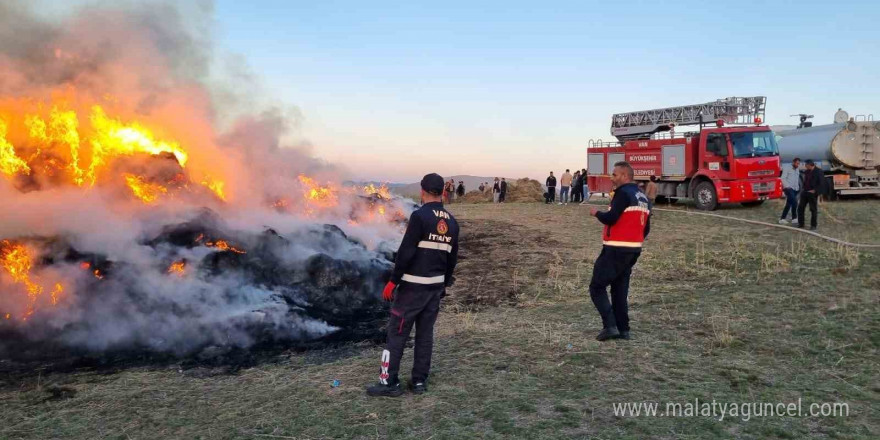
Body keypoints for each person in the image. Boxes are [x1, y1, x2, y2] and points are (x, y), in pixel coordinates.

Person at [367, 173, 460, 397]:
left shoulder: (419, 217)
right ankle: (419, 382)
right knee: (425, 335)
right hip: (434, 289)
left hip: (412, 289)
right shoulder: (452, 222)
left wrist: (392, 281)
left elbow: (406, 252)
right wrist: (443, 285)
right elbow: (452, 259)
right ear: (444, 192)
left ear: (423, 191)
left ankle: (388, 382)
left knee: (397, 333)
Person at [587, 162, 650, 341]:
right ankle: (624, 329)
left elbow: (612, 218)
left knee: (597, 287)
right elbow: (646, 227)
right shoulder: (643, 197)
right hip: (633, 250)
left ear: (624, 175)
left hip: (615, 248)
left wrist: (596, 213)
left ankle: (610, 326)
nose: (612, 178)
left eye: (614, 175)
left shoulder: (623, 193)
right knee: (619, 290)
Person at [797, 159, 821, 230]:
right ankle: (801, 224)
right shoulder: (807, 171)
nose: (805, 166)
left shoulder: (818, 171)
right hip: (805, 192)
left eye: (806, 165)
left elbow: (821, 183)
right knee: (800, 208)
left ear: (810, 165)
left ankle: (813, 225)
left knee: (813, 209)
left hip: (812, 193)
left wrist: (815, 190)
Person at [779, 158, 801, 224]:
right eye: (797, 163)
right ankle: (793, 217)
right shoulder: (787, 168)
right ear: (793, 162)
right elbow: (783, 178)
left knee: (789, 203)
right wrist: (787, 186)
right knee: (795, 202)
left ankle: (784, 219)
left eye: (798, 164)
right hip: (788, 188)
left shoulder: (797, 169)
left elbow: (797, 179)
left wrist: (798, 188)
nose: (797, 165)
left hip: (795, 189)